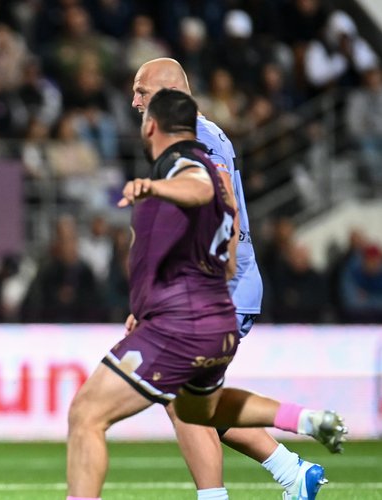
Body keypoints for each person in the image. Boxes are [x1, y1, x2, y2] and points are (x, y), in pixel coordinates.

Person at [66, 89, 346, 500]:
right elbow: (225, 237)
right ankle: (300, 424)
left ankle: (240, 484)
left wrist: (156, 189)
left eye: (141, 101)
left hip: (181, 321)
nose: (136, 106)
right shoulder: (209, 161)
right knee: (198, 406)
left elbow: (200, 188)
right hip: (212, 316)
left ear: (152, 126)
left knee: (87, 414)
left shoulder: (182, 164)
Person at [129, 58, 326, 500]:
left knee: (181, 396)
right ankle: (293, 472)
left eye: (142, 91)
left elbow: (225, 213)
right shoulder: (191, 135)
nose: (135, 101)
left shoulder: (196, 137)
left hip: (218, 288)